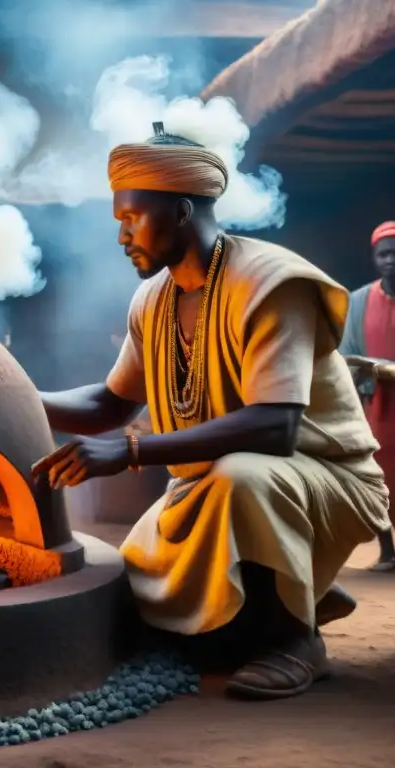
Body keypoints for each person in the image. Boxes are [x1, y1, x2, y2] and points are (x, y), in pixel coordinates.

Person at [31, 124, 390, 701]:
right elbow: (110, 402)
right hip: (209, 485)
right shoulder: (153, 299)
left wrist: (129, 451)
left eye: (132, 218)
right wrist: (13, 393)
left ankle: (297, 641)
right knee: (139, 596)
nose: (122, 235)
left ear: (178, 211)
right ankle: (272, 613)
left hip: (325, 479)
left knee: (239, 478)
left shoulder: (271, 283)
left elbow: (277, 426)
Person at [338, 221, 395, 571]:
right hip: (377, 405)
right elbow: (347, 354)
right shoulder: (359, 301)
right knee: (378, 478)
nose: (390, 261)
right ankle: (388, 551)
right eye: (384, 254)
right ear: (375, 258)